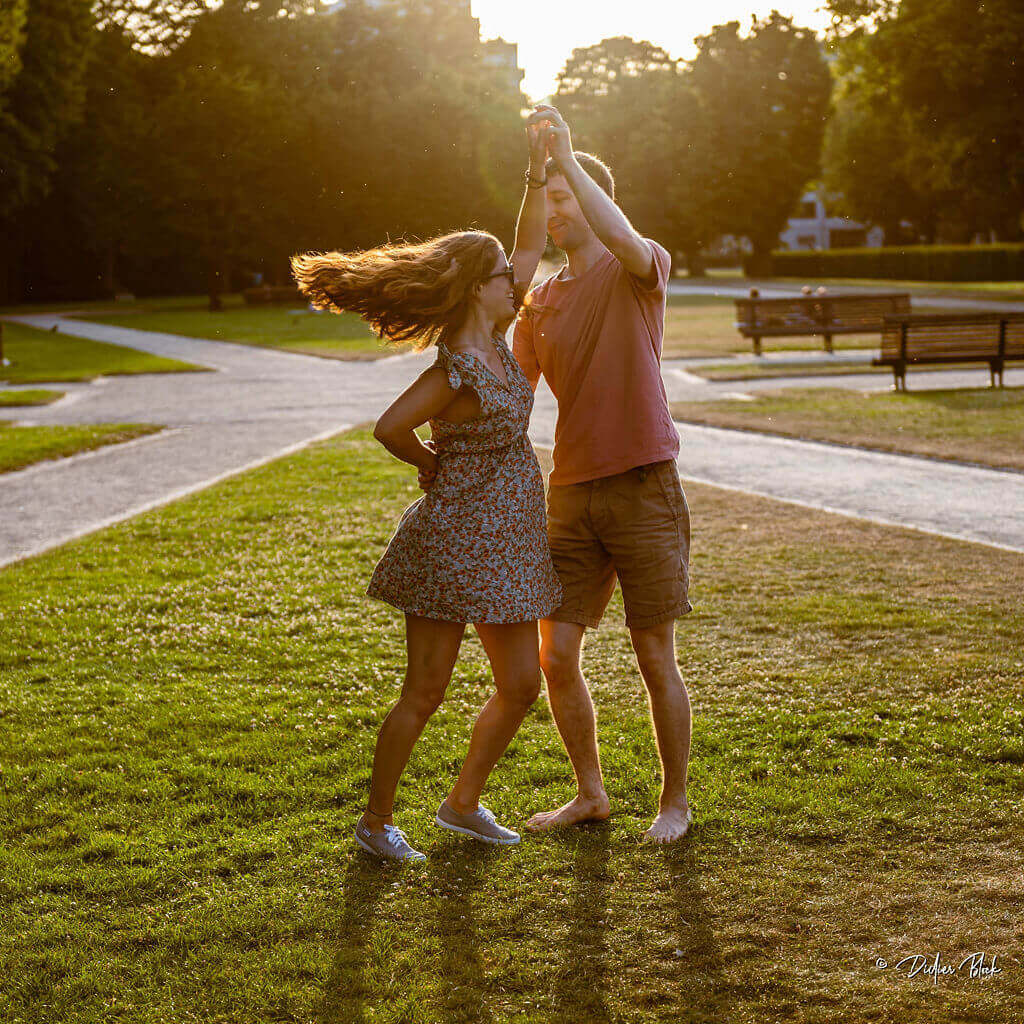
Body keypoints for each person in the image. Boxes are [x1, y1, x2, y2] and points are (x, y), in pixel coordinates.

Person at [290, 121, 559, 863]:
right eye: (507, 276)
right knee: (426, 691)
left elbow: (529, 242)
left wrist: (538, 171)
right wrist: (427, 464)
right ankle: (377, 823)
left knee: (519, 684)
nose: (522, 279)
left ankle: (461, 805)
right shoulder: (459, 369)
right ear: (481, 288)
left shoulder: (499, 344)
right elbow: (389, 424)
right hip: (452, 541)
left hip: (507, 543)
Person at [512, 104, 695, 844]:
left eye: (565, 199)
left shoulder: (638, 269)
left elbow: (617, 233)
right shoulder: (541, 300)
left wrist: (569, 156)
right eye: (550, 200)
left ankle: (674, 803)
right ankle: (590, 794)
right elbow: (510, 391)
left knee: (654, 653)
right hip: (573, 492)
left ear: (591, 196)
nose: (555, 213)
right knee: (556, 653)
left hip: (645, 484)